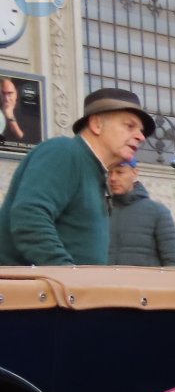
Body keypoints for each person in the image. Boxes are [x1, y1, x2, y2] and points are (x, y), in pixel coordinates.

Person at [0, 87, 152, 266]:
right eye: (129, 126)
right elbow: (30, 218)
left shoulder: (96, 173)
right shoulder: (63, 151)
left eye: (141, 131)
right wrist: (70, 278)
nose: (141, 137)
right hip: (40, 291)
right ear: (97, 124)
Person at [106, 161, 175, 267]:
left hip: (144, 283)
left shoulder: (157, 212)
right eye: (109, 173)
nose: (113, 178)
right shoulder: (98, 210)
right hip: (102, 282)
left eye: (119, 172)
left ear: (134, 173)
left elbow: (173, 262)